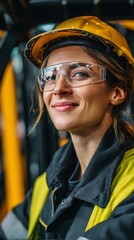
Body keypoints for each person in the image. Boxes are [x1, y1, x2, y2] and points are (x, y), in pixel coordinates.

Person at [0, 15, 134, 240]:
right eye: (50, 76)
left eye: (80, 73)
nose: (58, 88)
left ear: (117, 93)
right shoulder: (52, 178)